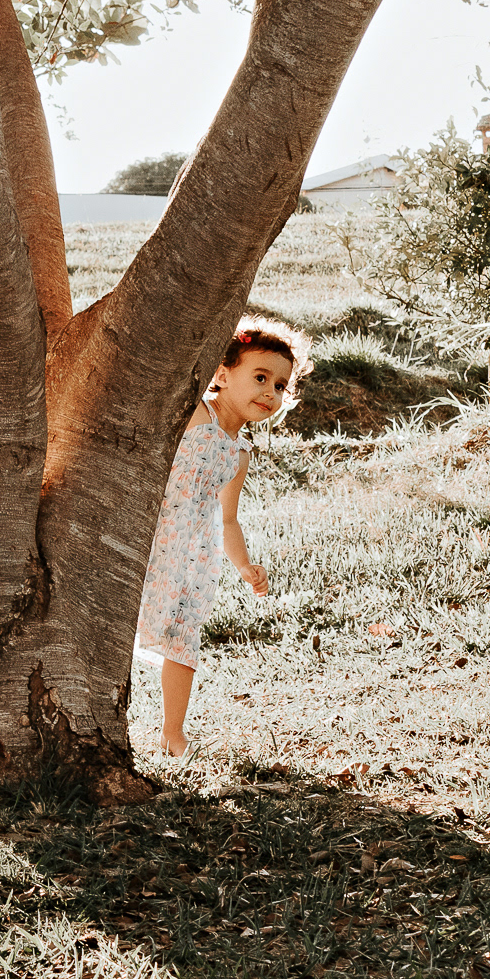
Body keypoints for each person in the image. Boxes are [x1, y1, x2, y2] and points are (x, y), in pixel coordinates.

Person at [135, 316, 311, 759]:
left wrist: (244, 566)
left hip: (193, 555)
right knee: (127, 622)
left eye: (280, 386)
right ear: (222, 374)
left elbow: (227, 519)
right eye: (260, 377)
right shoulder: (196, 414)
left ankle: (173, 734)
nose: (270, 392)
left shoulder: (239, 452)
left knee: (183, 639)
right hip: (153, 537)